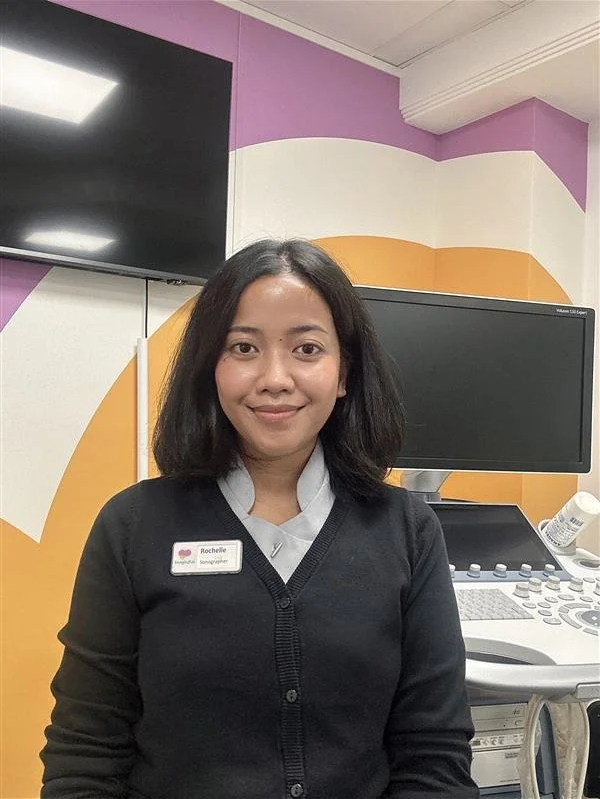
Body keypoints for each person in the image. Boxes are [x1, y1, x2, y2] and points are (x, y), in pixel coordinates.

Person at [41, 239, 479, 798]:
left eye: (307, 349)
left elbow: (434, 755)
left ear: (344, 373)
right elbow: (86, 752)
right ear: (210, 369)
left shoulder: (407, 531)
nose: (274, 377)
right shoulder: (133, 527)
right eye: (244, 348)